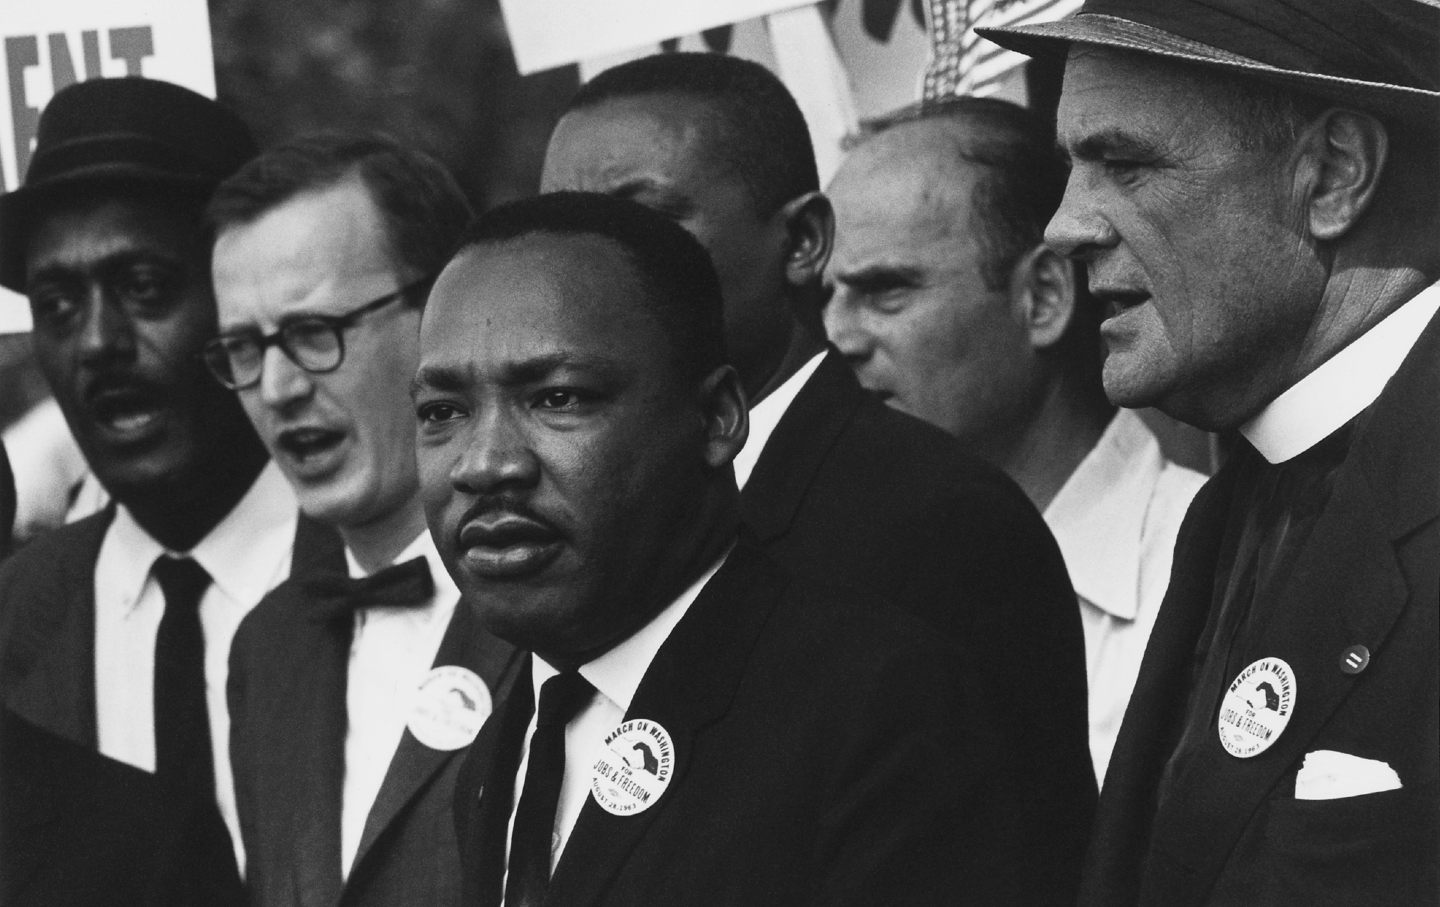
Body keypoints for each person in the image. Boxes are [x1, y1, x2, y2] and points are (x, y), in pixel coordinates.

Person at [540, 51, 1094, 899]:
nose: (581, 274)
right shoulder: (574, 520)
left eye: (643, 225)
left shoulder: (939, 521)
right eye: (560, 233)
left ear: (801, 241)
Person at [418, 191, 1034, 905]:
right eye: (442, 412)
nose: (484, 462)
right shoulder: (506, 743)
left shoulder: (882, 711)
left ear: (716, 417)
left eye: (559, 398)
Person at [981, 1, 1440, 902]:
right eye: (1075, 167)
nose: (1065, 224)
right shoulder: (1239, 501)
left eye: (1126, 162)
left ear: (1334, 174)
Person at [824, 96, 1206, 783]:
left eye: (884, 290)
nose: (837, 336)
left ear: (1045, 297)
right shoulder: (825, 584)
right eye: (822, 298)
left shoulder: (1214, 569)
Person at [0, 78, 296, 904]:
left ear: (245, 302)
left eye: (144, 287)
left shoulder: (392, 574)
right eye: (57, 304)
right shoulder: (15, 615)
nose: (98, 341)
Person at [206, 133, 519, 906]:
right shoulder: (269, 646)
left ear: (445, 307)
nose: (275, 387)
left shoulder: (568, 603)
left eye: (315, 333)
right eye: (243, 347)